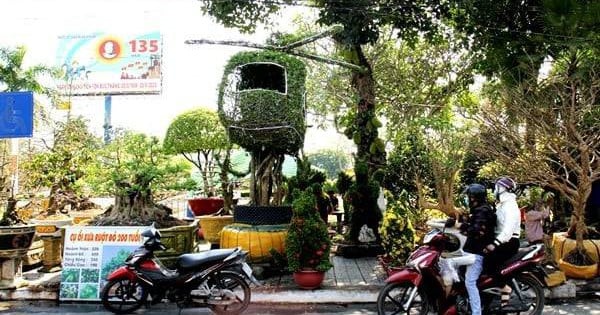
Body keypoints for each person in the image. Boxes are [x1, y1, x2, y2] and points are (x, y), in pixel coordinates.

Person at [445, 184, 496, 315]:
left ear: (475, 197)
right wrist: (461, 218)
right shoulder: (480, 209)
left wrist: (458, 225)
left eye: (470, 196)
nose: (468, 199)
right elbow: (473, 224)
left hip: (478, 253)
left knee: (470, 282)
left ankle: (476, 312)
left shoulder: (483, 211)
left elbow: (475, 230)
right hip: (472, 250)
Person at [484, 176, 521, 308]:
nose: (495, 190)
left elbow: (508, 231)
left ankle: (505, 287)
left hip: (509, 242)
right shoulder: (502, 205)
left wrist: (494, 244)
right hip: (502, 241)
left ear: (503, 189)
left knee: (487, 262)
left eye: (496, 187)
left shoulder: (510, 206)